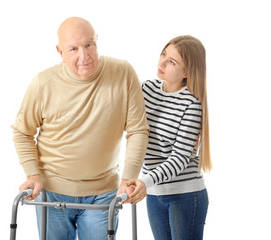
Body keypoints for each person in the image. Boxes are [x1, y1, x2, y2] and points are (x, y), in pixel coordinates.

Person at [12, 17, 149, 240]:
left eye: (89, 45)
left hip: (103, 192)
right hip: (52, 191)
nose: (84, 56)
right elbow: (22, 132)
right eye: (73, 49)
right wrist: (33, 175)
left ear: (97, 41)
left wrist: (128, 178)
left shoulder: (123, 73)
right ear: (60, 51)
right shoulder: (43, 83)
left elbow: (137, 130)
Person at [127, 35, 212, 240]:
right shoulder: (146, 89)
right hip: (154, 193)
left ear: (187, 72)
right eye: (163, 54)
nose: (162, 63)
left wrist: (145, 181)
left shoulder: (191, 105)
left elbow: (179, 159)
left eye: (172, 61)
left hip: (185, 195)